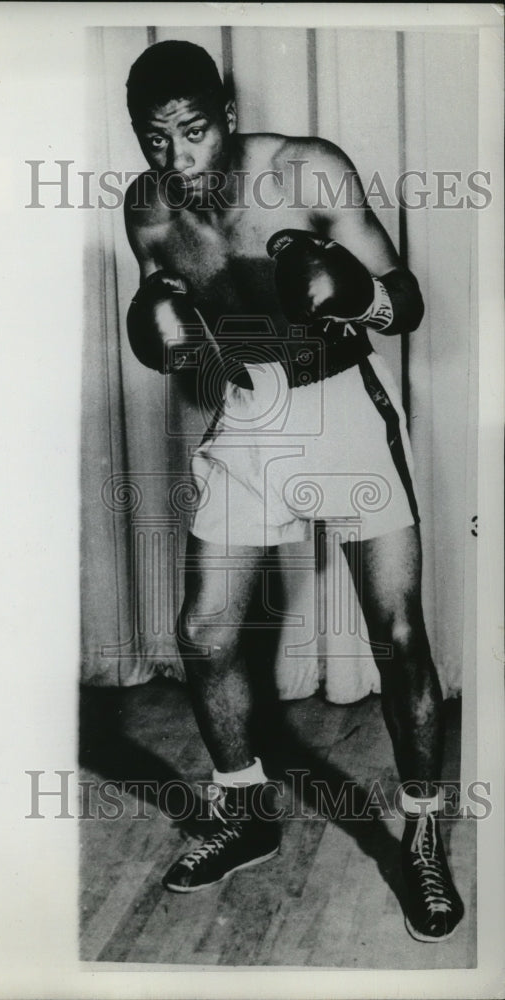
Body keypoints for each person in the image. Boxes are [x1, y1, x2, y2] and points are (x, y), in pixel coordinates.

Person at [122, 39, 464, 944]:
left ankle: (424, 830)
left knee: (395, 633)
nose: (177, 159)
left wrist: (354, 298)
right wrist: (172, 338)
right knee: (202, 631)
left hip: (340, 406)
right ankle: (245, 810)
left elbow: (407, 301)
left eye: (192, 133)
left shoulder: (307, 170)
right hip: (248, 412)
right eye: (156, 142)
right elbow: (185, 343)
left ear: (224, 118)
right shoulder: (147, 212)